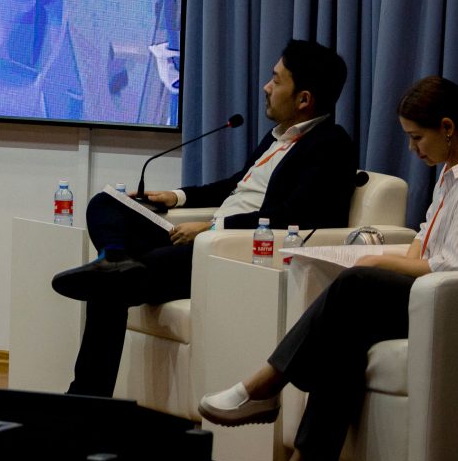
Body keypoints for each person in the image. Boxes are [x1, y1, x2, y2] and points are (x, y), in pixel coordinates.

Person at [199, 75, 458, 461]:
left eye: (417, 137)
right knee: (345, 331)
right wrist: (385, 260)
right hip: (438, 299)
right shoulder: (453, 173)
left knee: (357, 283)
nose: (412, 149)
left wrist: (375, 262)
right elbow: (424, 240)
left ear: (447, 128)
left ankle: (266, 385)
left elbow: (453, 267)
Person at [52, 39, 358, 395]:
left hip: (229, 252)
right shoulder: (276, 137)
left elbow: (293, 216)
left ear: (304, 99)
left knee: (108, 286)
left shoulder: (330, 146)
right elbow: (234, 186)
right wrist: (177, 196)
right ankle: (115, 258)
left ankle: (86, 395)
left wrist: (213, 228)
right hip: (202, 239)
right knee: (106, 203)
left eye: (276, 80)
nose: (266, 87)